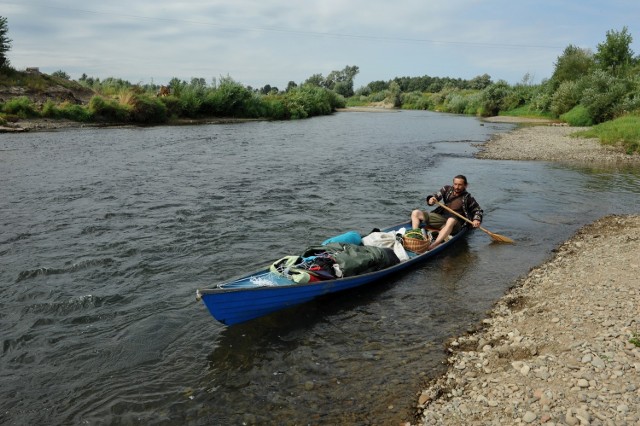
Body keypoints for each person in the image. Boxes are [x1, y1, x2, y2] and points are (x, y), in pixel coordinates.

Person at [410, 175, 483, 250]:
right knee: (415, 213)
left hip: (455, 224)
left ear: (466, 185)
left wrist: (476, 220)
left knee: (451, 220)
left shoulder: (468, 198)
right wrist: (431, 200)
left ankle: (434, 245)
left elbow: (478, 210)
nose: (457, 187)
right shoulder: (446, 189)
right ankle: (415, 235)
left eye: (460, 185)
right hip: (442, 218)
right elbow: (435, 197)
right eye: (455, 184)